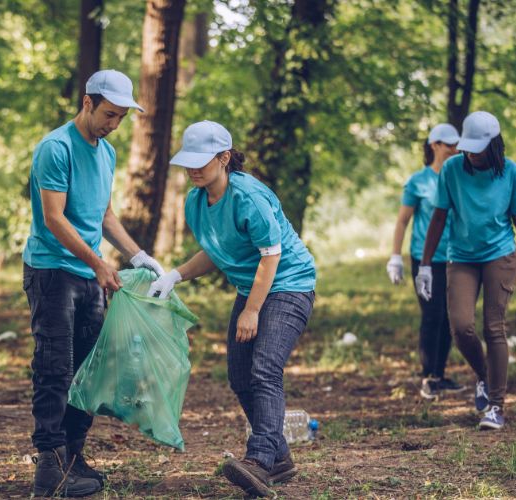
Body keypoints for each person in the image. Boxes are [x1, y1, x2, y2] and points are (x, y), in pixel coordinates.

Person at [149, 121, 316, 498]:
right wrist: (174, 276)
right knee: (240, 376)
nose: (193, 168)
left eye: (201, 160)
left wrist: (252, 310)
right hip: (253, 286)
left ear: (224, 158)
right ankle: (281, 458)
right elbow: (216, 250)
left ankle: (259, 461)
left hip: (289, 283)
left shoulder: (249, 196)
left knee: (265, 369)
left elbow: (271, 256)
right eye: (187, 161)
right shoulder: (196, 200)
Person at [23, 69, 165, 498]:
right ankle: (48, 467)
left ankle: (73, 455)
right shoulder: (56, 148)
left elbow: (103, 217)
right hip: (52, 271)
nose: (113, 124)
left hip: (89, 273)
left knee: (89, 371)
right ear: (87, 103)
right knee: (55, 367)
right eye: (109, 114)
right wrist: (99, 263)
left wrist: (138, 256)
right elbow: (54, 218)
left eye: (121, 117)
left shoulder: (107, 153)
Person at [415, 111, 516, 430]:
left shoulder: (512, 173)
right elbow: (439, 217)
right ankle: (485, 377)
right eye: (467, 147)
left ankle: (496, 406)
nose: (471, 153)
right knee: (461, 327)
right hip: (462, 257)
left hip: (500, 255)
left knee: (494, 328)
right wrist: (426, 266)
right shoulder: (452, 170)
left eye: (477, 148)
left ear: (493, 145)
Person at [387, 124, 465, 399]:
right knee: (432, 316)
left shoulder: (459, 177)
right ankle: (427, 377)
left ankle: (440, 375)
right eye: (449, 144)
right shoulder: (418, 182)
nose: (455, 149)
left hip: (456, 257)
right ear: (434, 145)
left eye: (457, 145)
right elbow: (402, 221)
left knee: (450, 319)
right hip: (426, 259)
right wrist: (395, 256)